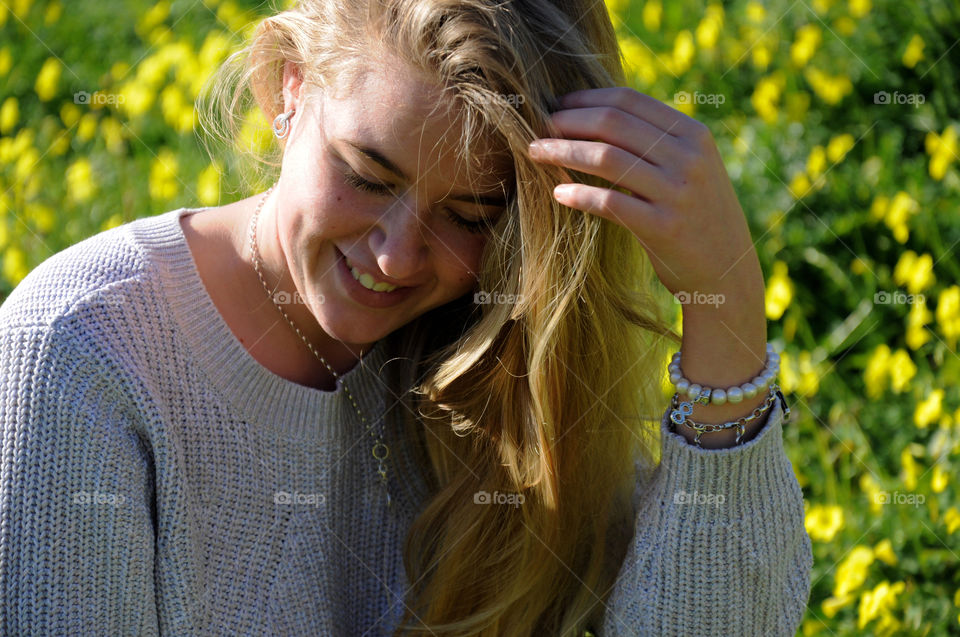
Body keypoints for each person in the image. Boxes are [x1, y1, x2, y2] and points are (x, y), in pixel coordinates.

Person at [0, 0, 812, 635]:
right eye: (367, 174)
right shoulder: (82, 353)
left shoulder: (493, 355)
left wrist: (727, 313)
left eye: (468, 213)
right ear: (289, 85)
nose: (395, 257)